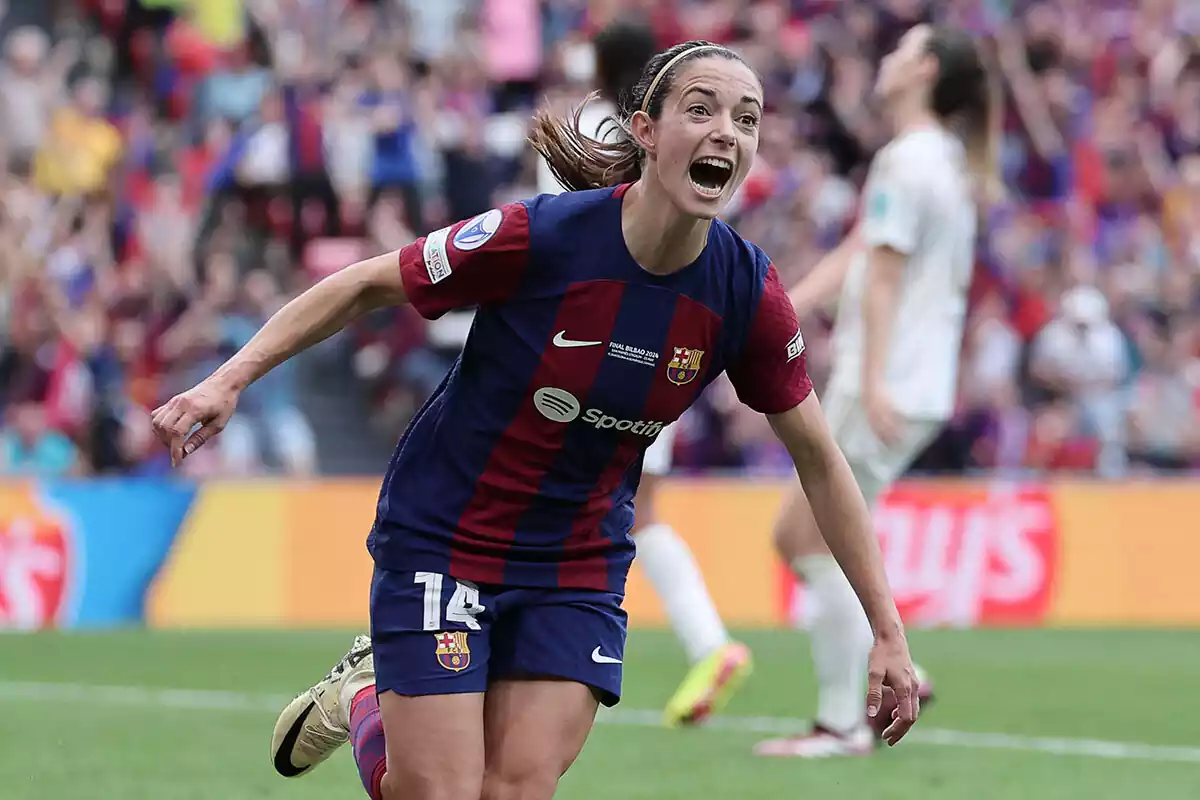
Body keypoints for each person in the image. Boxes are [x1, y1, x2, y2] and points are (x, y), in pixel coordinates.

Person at [151, 40, 922, 800]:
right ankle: (365, 697)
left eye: (747, 120)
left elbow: (820, 459)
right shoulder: (543, 236)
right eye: (702, 109)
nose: (728, 130)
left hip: (575, 562)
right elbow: (365, 286)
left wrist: (886, 628)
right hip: (447, 535)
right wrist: (228, 380)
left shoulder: (745, 292)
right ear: (645, 132)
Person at [754, 24, 999, 759]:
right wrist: (776, 310)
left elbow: (884, 279)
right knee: (805, 537)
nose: (887, 58)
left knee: (803, 538)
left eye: (903, 49)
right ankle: (899, 673)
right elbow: (864, 253)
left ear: (923, 70)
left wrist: (866, 382)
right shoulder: (942, 160)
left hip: (884, 381)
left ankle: (843, 722)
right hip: (913, 380)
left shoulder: (905, 159)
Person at [537, 19, 751, 730]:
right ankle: (708, 642)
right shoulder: (697, 142)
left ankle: (706, 641)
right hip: (666, 344)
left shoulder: (592, 126)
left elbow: (556, 231)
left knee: (567, 501)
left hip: (578, 348)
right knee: (637, 509)